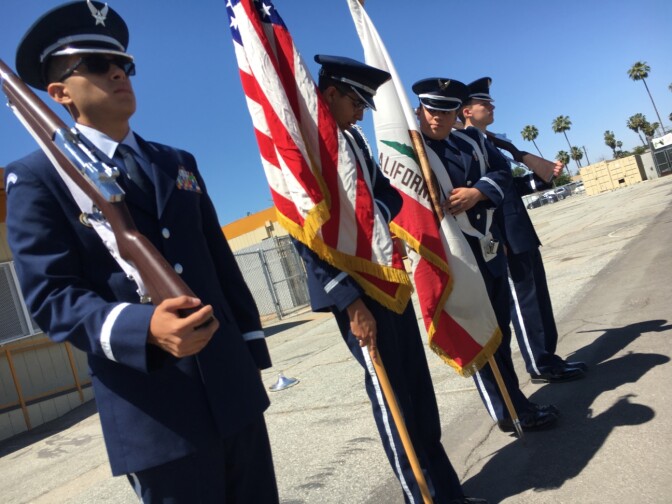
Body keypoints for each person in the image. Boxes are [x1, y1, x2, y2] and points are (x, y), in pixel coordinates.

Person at [5, 2, 278, 502]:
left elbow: (219, 263)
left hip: (232, 387)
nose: (116, 72)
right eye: (91, 64)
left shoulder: (177, 161)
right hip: (156, 412)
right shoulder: (39, 178)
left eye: (123, 65)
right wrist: (142, 327)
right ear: (59, 93)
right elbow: (51, 298)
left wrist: (251, 351)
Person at [293, 55, 487, 504]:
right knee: (393, 397)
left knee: (417, 392)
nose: (361, 112)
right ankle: (421, 497)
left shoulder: (353, 140)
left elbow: (383, 195)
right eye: (356, 102)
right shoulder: (307, 147)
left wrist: (375, 224)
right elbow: (307, 236)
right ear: (332, 93)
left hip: (388, 276)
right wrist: (348, 303)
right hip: (358, 293)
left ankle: (446, 494)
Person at [412, 77, 559, 433]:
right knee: (479, 336)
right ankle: (506, 410)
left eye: (446, 111)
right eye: (431, 110)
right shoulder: (409, 151)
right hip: (456, 260)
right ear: (418, 110)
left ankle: (515, 403)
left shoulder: (472, 140)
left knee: (499, 334)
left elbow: (503, 172)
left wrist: (478, 192)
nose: (438, 119)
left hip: (488, 252)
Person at [460, 77, 587, 383]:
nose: (491, 106)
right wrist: (495, 238)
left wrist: (542, 179)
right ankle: (540, 364)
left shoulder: (493, 143)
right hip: (502, 236)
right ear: (466, 111)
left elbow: (508, 189)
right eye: (484, 103)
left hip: (520, 231)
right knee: (524, 302)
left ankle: (549, 356)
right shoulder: (466, 147)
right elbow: (476, 197)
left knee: (538, 297)